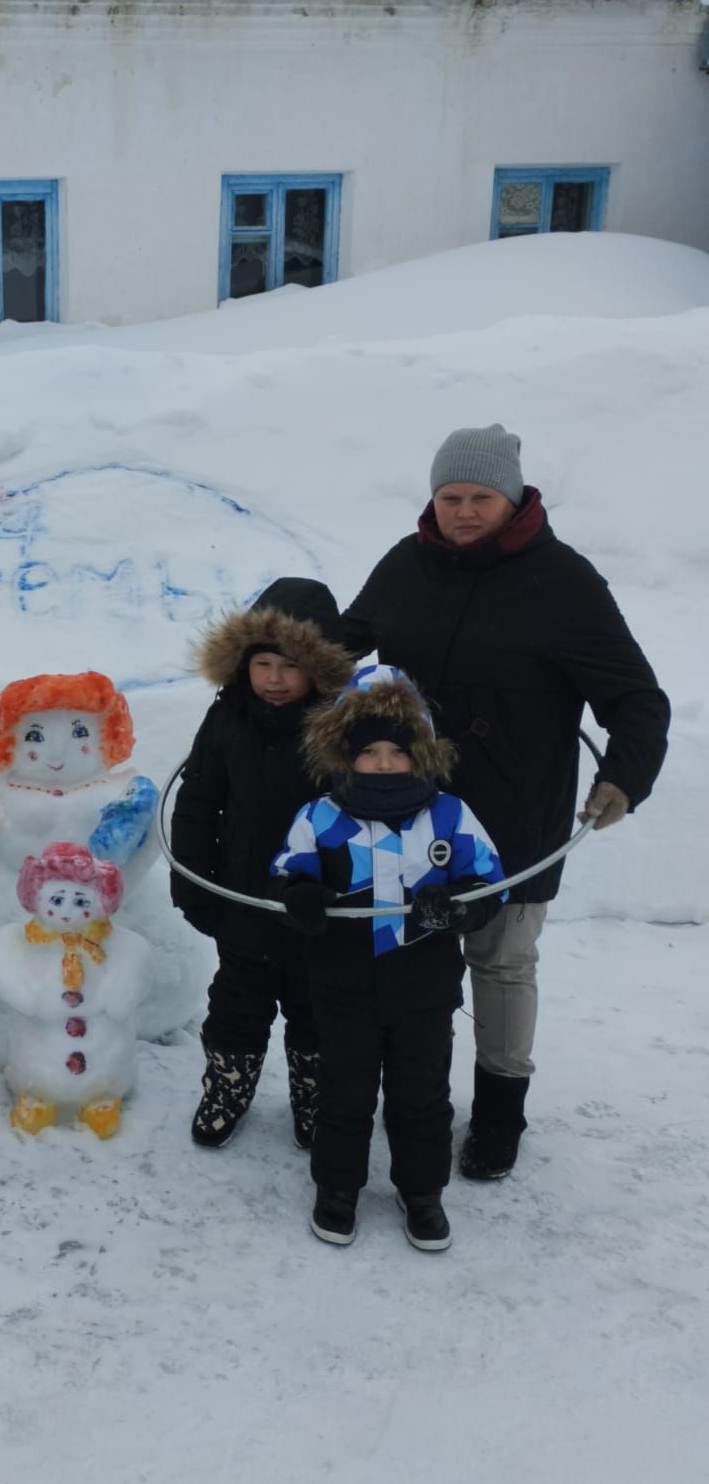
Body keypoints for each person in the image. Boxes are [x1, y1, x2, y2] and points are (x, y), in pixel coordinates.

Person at [339, 425, 669, 1179]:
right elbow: (342, 641)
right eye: (449, 497)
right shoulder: (406, 563)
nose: (462, 511)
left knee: (501, 961)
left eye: (479, 498)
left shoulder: (563, 581)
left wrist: (624, 774)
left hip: (515, 815)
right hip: (407, 812)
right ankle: (412, 1101)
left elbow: (635, 696)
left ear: (512, 496)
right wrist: (270, 665)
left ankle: (498, 1115)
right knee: (408, 963)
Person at [272, 666, 507, 1251]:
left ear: (419, 753)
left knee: (420, 1092)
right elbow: (287, 870)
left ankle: (422, 1191)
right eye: (368, 751)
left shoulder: (450, 815)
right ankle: (338, 1188)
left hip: (422, 988)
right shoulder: (322, 815)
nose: (381, 763)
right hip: (343, 983)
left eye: (395, 752)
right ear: (343, 754)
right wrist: (299, 896)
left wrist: (458, 907)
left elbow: (489, 880)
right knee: (345, 1088)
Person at [168, 578, 357, 1150]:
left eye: (291, 666)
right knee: (236, 1007)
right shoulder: (227, 719)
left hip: (317, 903)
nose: (275, 679)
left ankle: (313, 1097)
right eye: (264, 663)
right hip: (243, 893)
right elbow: (199, 800)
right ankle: (226, 1088)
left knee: (315, 1011)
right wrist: (193, 883)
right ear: (243, 664)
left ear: (318, 670)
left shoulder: (343, 727)